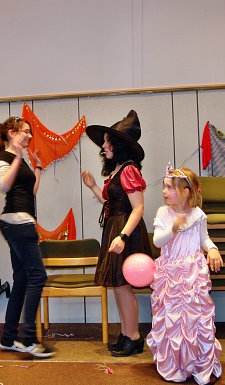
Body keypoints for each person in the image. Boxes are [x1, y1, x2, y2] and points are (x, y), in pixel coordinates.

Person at [82, 110, 152, 357]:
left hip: (124, 230)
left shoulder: (129, 170)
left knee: (123, 287)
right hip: (115, 227)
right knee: (118, 286)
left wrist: (122, 237)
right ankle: (125, 334)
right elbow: (109, 202)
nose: (103, 147)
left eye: (107, 143)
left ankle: (134, 337)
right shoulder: (119, 170)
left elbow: (138, 208)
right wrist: (93, 185)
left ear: (119, 145)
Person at [0, 116, 55, 358]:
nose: (29, 136)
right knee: (38, 276)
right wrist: (17, 158)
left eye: (30, 132)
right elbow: (4, 185)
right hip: (17, 224)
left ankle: (8, 338)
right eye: (25, 131)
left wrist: (38, 169)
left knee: (22, 280)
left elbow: (30, 192)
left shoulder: (18, 159)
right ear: (11, 133)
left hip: (19, 222)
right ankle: (28, 339)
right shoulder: (6, 156)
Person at [146, 165, 223, 385]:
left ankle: (200, 365)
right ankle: (175, 365)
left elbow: (204, 238)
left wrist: (213, 249)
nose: (164, 191)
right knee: (172, 320)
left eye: (170, 187)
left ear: (185, 192)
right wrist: (173, 228)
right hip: (170, 275)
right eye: (164, 187)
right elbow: (157, 241)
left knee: (195, 319)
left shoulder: (198, 215)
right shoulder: (164, 213)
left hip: (192, 276)